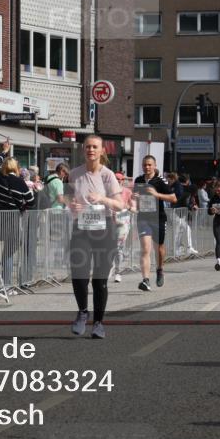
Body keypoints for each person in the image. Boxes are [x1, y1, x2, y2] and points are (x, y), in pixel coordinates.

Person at [66, 135, 124, 339]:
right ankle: (83, 312)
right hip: (81, 228)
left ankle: (99, 323)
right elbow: (68, 198)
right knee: (79, 274)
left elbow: (120, 205)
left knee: (99, 280)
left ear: (101, 151)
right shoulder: (74, 174)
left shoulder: (108, 175)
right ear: (83, 150)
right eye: (88, 147)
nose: (91, 150)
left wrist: (102, 198)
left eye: (94, 147)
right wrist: (72, 205)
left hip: (104, 229)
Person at [0, 143, 36, 285]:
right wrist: (22, 206)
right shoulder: (20, 182)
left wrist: (4, 151)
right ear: (16, 168)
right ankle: (7, 284)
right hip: (13, 221)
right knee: (8, 252)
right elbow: (31, 201)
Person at [134, 155, 176, 291]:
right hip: (143, 218)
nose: (147, 167)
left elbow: (173, 198)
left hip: (158, 219)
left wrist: (157, 195)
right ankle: (145, 280)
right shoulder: (138, 180)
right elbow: (135, 201)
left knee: (159, 248)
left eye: (149, 165)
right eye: (144, 165)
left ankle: (159, 269)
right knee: (145, 248)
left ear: (154, 166)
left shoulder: (161, 181)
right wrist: (134, 199)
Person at [112, 171, 133, 283]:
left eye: (121, 179)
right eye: (117, 178)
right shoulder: (108, 191)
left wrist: (129, 207)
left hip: (123, 221)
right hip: (110, 221)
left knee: (118, 248)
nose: (119, 181)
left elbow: (133, 206)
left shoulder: (127, 191)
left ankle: (118, 272)